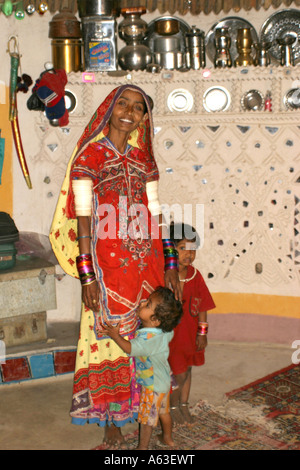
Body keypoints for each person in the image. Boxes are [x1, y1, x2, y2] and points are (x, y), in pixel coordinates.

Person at [49, 85, 181, 448]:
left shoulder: (144, 160)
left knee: (148, 336)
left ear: (144, 117)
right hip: (107, 268)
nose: (129, 111)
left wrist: (170, 261)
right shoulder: (89, 156)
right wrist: (87, 274)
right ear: (109, 108)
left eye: (138, 108)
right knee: (107, 337)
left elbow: (156, 212)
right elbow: (83, 217)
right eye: (123, 103)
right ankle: (110, 418)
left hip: (148, 263)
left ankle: (148, 409)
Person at [102, 286, 183, 450]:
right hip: (163, 383)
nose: (143, 302)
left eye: (148, 304)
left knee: (147, 419)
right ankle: (167, 438)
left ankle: (142, 448)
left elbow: (130, 348)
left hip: (152, 386)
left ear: (155, 320)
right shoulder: (164, 332)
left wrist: (116, 335)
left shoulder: (148, 341)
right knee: (163, 412)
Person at [168, 222, 216, 424]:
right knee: (177, 372)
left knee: (187, 370)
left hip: (191, 335)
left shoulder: (195, 277)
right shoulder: (165, 277)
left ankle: (183, 405)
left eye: (192, 249)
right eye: (182, 248)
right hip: (173, 337)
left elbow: (203, 305)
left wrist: (202, 333)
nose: (189, 254)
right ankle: (171, 406)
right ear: (170, 249)